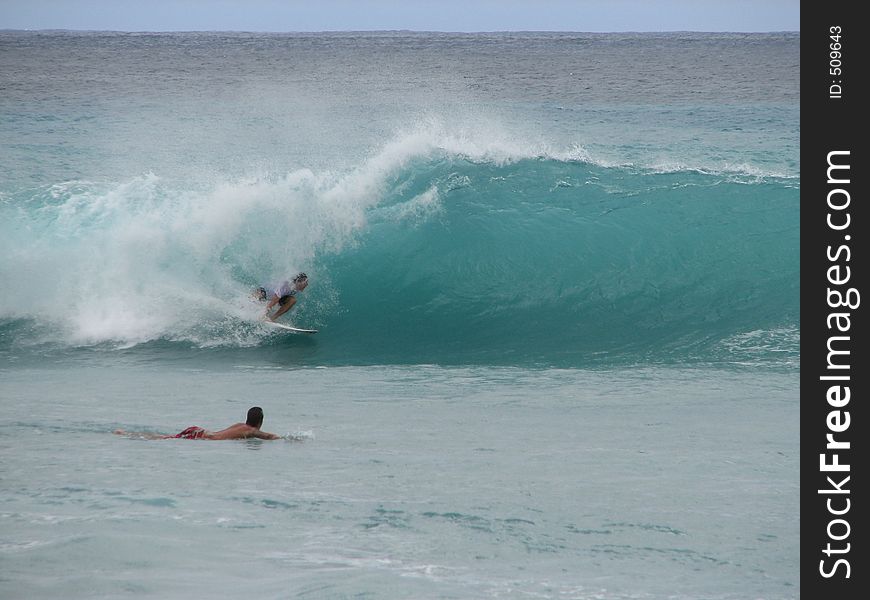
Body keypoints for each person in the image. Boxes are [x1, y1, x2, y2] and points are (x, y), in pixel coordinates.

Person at [114, 406, 281, 440]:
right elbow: (270, 436)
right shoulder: (251, 431)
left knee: (167, 437)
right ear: (260, 421)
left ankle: (127, 433)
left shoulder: (240, 425)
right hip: (204, 437)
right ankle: (127, 434)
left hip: (201, 431)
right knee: (164, 438)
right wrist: (291, 439)